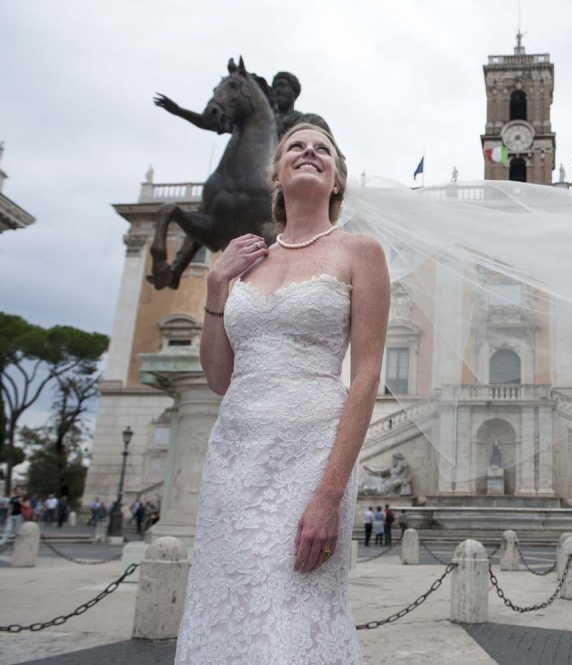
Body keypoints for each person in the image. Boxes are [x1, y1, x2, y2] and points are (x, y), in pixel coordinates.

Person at [174, 123, 389, 665]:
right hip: (235, 458)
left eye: (324, 149)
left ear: (337, 179)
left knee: (295, 612)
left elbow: (364, 377)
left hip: (310, 454)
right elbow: (220, 378)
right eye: (297, 145)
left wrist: (329, 494)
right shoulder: (247, 262)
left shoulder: (360, 252)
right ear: (276, 173)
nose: (310, 152)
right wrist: (216, 287)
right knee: (231, 603)